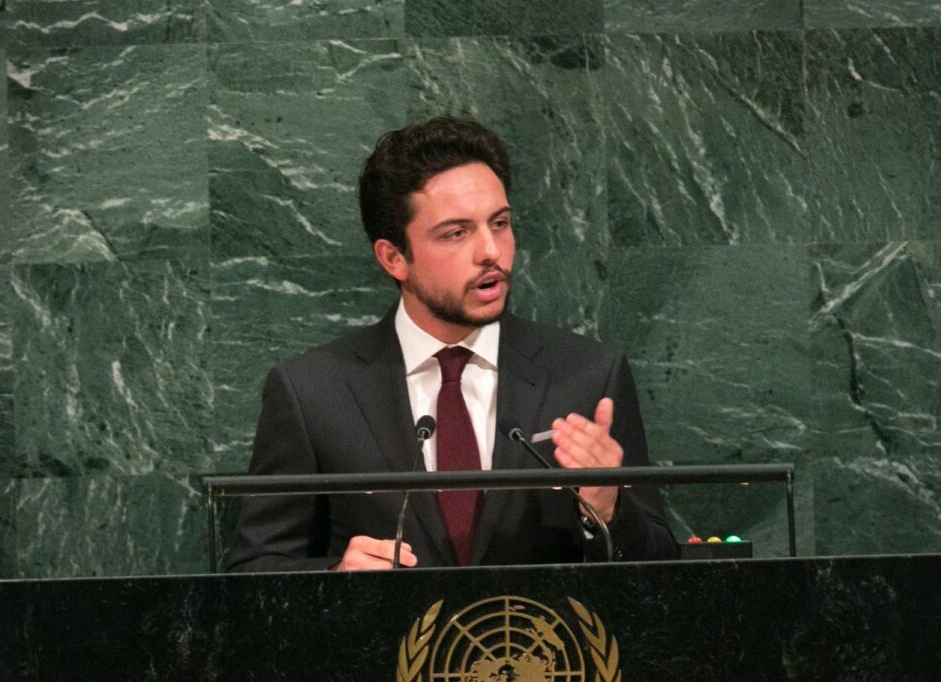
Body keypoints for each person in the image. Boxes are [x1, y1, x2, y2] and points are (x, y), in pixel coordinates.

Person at [225, 116, 674, 572]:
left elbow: (663, 570)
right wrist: (334, 579)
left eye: (499, 223)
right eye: (456, 233)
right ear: (394, 258)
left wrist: (610, 510)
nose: (491, 251)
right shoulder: (313, 393)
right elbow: (252, 569)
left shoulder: (588, 377)